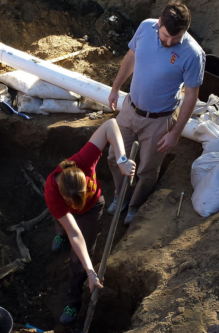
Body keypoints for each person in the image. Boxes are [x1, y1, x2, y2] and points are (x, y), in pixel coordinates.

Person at [106, 0, 205, 224]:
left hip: (160, 121)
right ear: (158, 23)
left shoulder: (193, 54)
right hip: (130, 109)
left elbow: (191, 96)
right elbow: (131, 57)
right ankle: (120, 196)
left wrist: (175, 133)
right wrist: (115, 88)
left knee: (148, 169)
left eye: (175, 39)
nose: (169, 42)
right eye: (165, 36)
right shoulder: (144, 27)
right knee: (115, 157)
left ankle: (134, 206)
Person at [45, 119, 136, 325]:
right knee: (64, 227)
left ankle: (73, 302)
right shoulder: (53, 196)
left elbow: (111, 124)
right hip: (63, 213)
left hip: (94, 207)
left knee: (80, 258)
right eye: (74, 203)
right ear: (66, 199)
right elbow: (73, 232)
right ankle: (59, 234)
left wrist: (122, 159)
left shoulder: (85, 160)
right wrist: (68, 231)